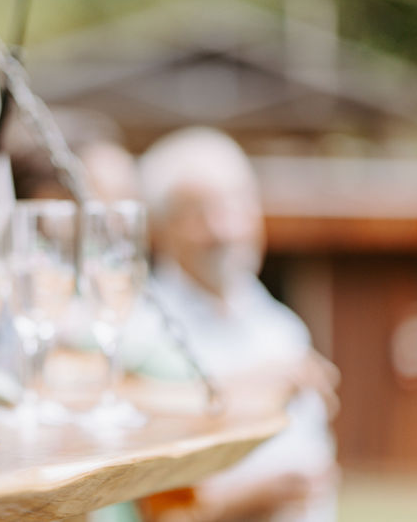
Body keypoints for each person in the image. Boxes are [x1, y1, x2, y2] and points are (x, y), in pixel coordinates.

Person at [126, 127, 339, 522]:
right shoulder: (136, 330)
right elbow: (153, 505)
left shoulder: (280, 326)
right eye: (198, 214)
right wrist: (250, 499)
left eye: (237, 205)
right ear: (159, 228)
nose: (225, 229)